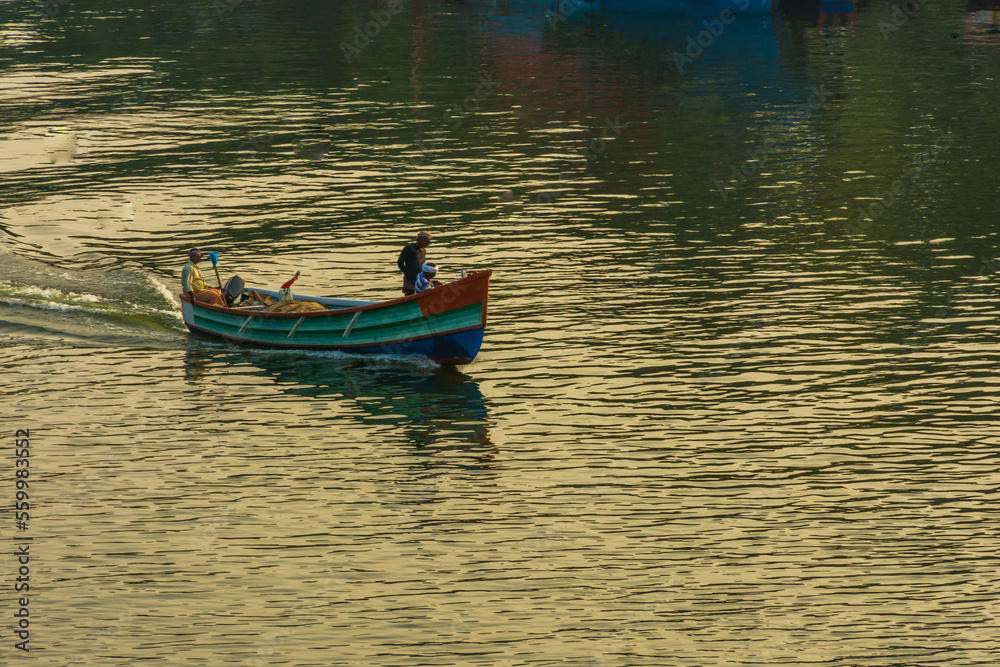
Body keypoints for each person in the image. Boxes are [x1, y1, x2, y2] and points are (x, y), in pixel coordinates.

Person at [397, 230, 432, 295]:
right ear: (420, 239)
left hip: (420, 279)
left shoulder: (423, 250)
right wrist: (406, 272)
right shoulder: (409, 248)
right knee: (409, 294)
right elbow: (400, 262)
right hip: (410, 279)